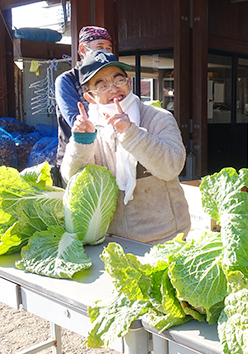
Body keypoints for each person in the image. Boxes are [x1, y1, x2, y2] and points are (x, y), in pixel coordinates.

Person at [60, 50, 191, 245]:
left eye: (118, 80)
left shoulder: (158, 118)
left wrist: (131, 132)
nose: (113, 89)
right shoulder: (91, 126)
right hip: (112, 239)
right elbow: (71, 177)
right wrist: (82, 141)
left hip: (165, 236)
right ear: (89, 97)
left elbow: (172, 166)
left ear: (128, 82)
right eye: (102, 85)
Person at [54, 26, 113, 186]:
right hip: (75, 158)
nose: (105, 52)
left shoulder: (110, 78)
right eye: (100, 47)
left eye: (109, 48)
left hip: (107, 158)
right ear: (82, 49)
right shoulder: (66, 81)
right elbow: (76, 121)